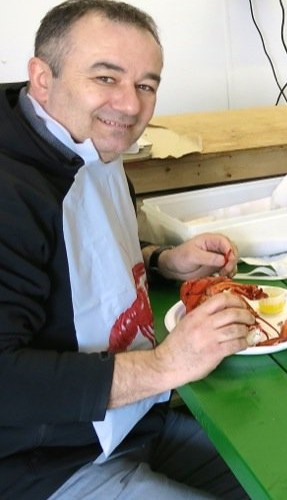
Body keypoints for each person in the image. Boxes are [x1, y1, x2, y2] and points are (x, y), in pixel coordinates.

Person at [0, 1, 253, 497]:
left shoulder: (83, 139)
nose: (131, 105)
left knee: (283, 467)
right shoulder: (11, 190)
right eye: (105, 77)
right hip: (43, 465)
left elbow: (76, 257)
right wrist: (164, 366)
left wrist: (160, 260)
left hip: (134, 423)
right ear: (41, 78)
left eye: (146, 85)